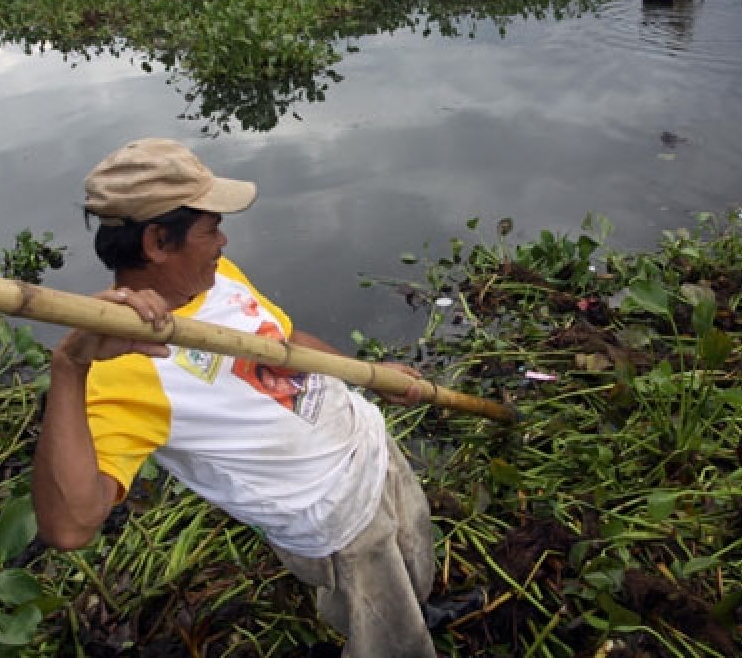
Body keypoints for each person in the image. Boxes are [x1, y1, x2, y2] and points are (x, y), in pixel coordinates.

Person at [31, 138, 437, 657]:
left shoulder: (217, 275)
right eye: (210, 227)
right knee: (390, 634)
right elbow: (69, 527)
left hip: (370, 447)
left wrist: (371, 374)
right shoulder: (119, 371)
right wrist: (69, 367)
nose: (223, 239)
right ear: (157, 242)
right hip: (337, 518)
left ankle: (421, 609)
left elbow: (285, 343)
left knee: (414, 557)